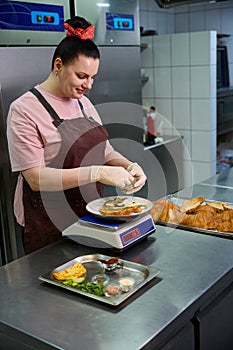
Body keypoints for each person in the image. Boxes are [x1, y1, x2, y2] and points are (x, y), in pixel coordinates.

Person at [6, 16, 147, 254]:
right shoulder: (24, 109)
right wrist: (99, 172)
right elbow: (35, 178)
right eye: (82, 76)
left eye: (93, 77)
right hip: (48, 222)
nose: (89, 85)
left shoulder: (83, 103)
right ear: (58, 66)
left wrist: (128, 165)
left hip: (90, 213)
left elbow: (104, 150)